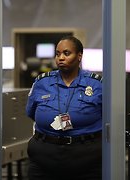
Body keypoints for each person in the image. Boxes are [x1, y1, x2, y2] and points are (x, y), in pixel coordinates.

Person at [26, 36, 102, 180]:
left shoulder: (97, 85)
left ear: (79, 56)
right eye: (58, 53)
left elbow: (107, 118)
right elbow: (31, 113)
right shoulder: (42, 82)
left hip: (86, 159)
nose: (61, 58)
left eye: (66, 53)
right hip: (44, 157)